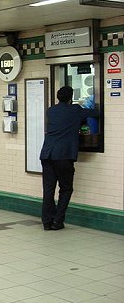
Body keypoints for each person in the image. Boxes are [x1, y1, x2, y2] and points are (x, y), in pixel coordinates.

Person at [39, 86, 99, 231]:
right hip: (63, 155)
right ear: (71, 98)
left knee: (48, 190)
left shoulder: (50, 110)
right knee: (66, 188)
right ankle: (58, 222)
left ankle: (47, 222)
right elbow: (96, 112)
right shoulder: (75, 110)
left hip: (47, 154)